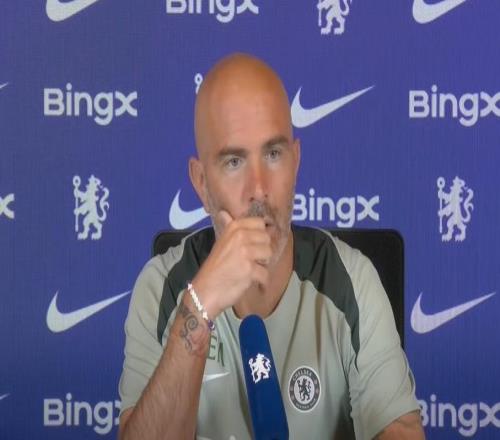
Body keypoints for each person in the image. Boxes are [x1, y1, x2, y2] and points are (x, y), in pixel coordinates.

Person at [118, 53, 425, 440]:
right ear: (201, 183)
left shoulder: (353, 279)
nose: (259, 189)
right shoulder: (162, 287)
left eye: (274, 154)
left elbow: (401, 432)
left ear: (296, 162)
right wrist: (200, 303)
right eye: (234, 162)